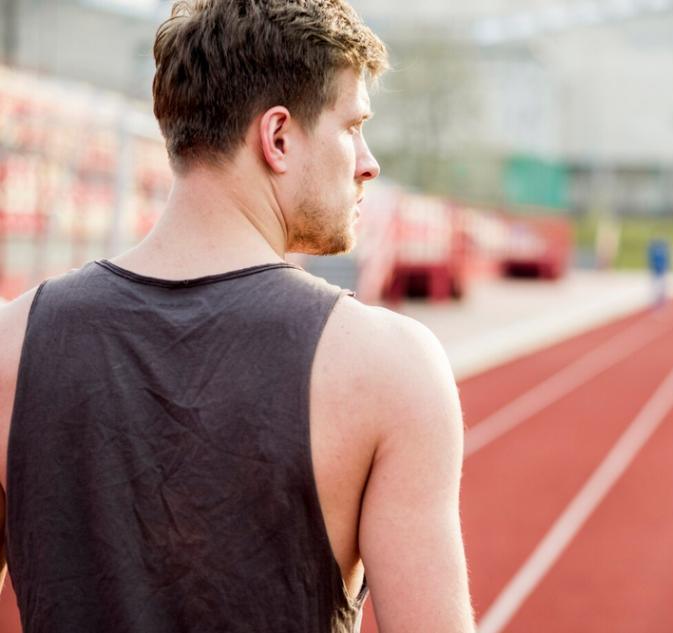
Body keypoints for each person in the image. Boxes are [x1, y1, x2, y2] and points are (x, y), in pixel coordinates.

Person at [0, 1, 476, 632]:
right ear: (277, 137)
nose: (368, 161)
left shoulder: (11, 344)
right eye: (352, 126)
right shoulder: (387, 366)